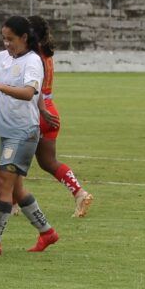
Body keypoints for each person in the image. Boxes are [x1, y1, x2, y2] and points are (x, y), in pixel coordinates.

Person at [0, 15, 60, 256]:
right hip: (8, 132)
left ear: (24, 38)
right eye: (4, 39)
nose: (6, 44)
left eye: (10, 39)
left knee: (2, 182)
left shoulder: (32, 61)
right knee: (16, 188)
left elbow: (30, 92)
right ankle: (47, 232)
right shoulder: (7, 57)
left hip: (22, 132)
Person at [28, 15, 94, 218]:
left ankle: (7, 205)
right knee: (48, 162)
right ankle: (79, 193)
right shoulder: (46, 54)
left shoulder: (31, 57)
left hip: (37, 110)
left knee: (14, 162)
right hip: (51, 111)